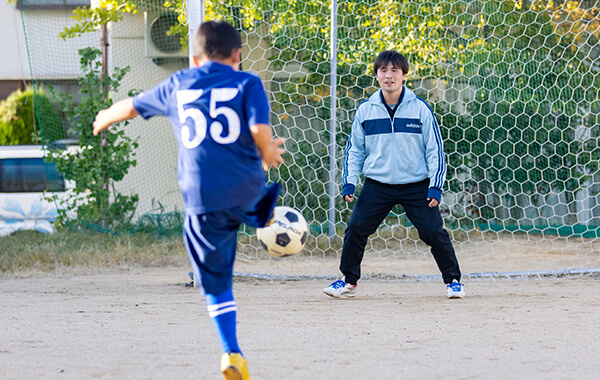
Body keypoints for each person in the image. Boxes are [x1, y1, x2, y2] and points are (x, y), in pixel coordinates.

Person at [93, 20, 285, 380]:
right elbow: (260, 130)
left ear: (194, 59)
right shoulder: (248, 82)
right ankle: (262, 211)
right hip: (245, 185)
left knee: (216, 282)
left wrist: (105, 116)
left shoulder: (179, 83)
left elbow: (132, 107)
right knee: (252, 191)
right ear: (238, 55)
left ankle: (231, 353)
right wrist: (267, 152)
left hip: (202, 195)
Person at [323, 50, 464, 299]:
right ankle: (348, 280)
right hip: (378, 184)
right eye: (383, 71)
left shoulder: (420, 109)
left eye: (394, 71)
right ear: (377, 75)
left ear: (404, 75)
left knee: (434, 232)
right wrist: (349, 183)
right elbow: (354, 150)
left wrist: (436, 186)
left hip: (416, 185)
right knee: (356, 228)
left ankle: (453, 281)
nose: (389, 76)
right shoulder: (366, 110)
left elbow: (435, 150)